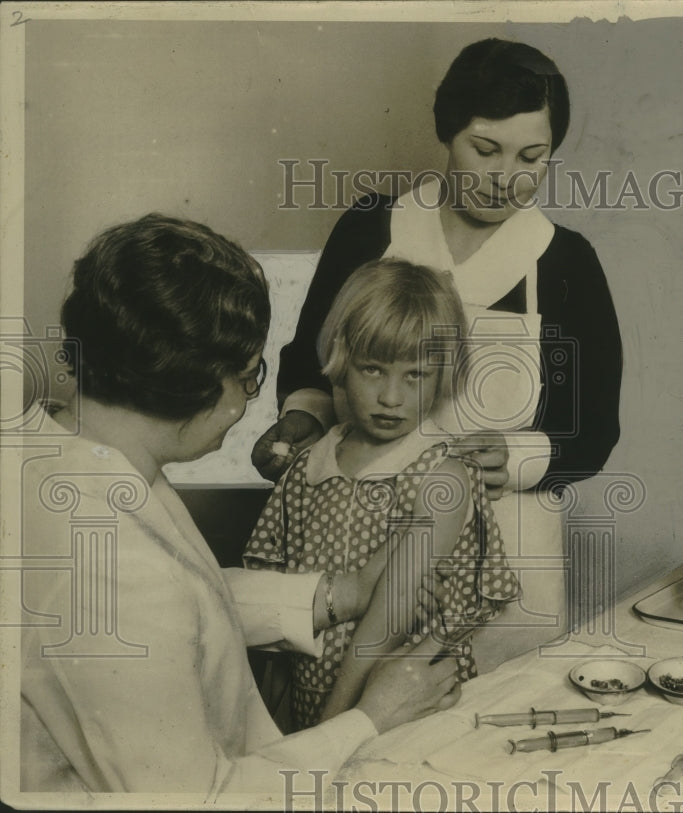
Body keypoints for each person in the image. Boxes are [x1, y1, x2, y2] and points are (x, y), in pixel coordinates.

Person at [19, 215, 461, 795]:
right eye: (251, 378)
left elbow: (187, 601)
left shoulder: (56, 448)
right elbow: (201, 801)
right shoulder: (111, 570)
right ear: (204, 385)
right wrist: (370, 716)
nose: (246, 401)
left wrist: (341, 592)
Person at [251, 39, 624, 664]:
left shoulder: (567, 263)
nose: (508, 178)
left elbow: (595, 430)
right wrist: (301, 421)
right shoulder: (374, 228)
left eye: (533, 158)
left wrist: (519, 455)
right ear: (446, 133)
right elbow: (309, 363)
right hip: (361, 536)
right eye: (486, 150)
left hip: (507, 547)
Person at [243, 259, 520, 731]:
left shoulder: (443, 475)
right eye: (373, 370)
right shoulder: (306, 470)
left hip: (405, 709)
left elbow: (390, 617)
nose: (392, 397)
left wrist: (339, 725)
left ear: (443, 374)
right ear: (341, 360)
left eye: (415, 376)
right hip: (310, 712)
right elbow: (268, 605)